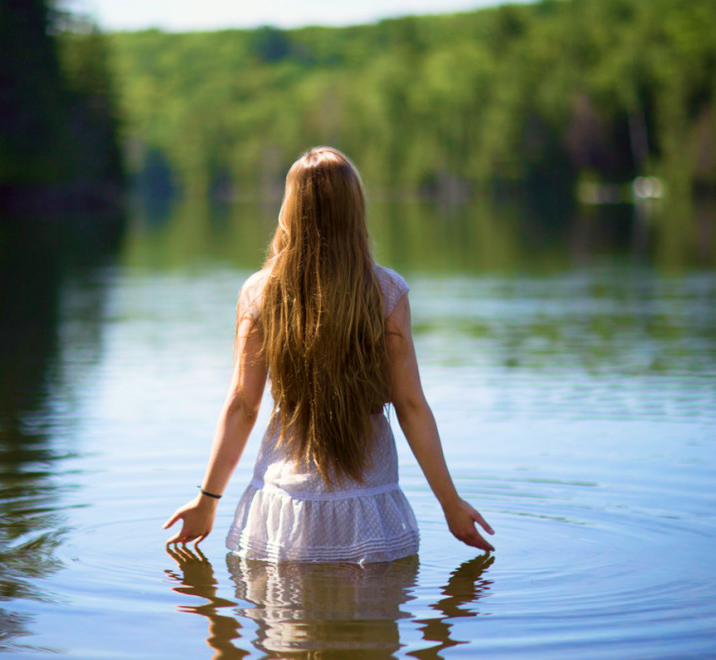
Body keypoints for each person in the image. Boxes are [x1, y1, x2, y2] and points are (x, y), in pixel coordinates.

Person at [164, 146, 494, 562]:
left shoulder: (260, 292)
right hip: (368, 507)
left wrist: (207, 500)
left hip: (287, 508)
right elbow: (410, 406)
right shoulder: (387, 291)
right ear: (355, 210)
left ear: (290, 208)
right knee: (372, 621)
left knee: (282, 624)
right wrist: (450, 503)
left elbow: (242, 406)